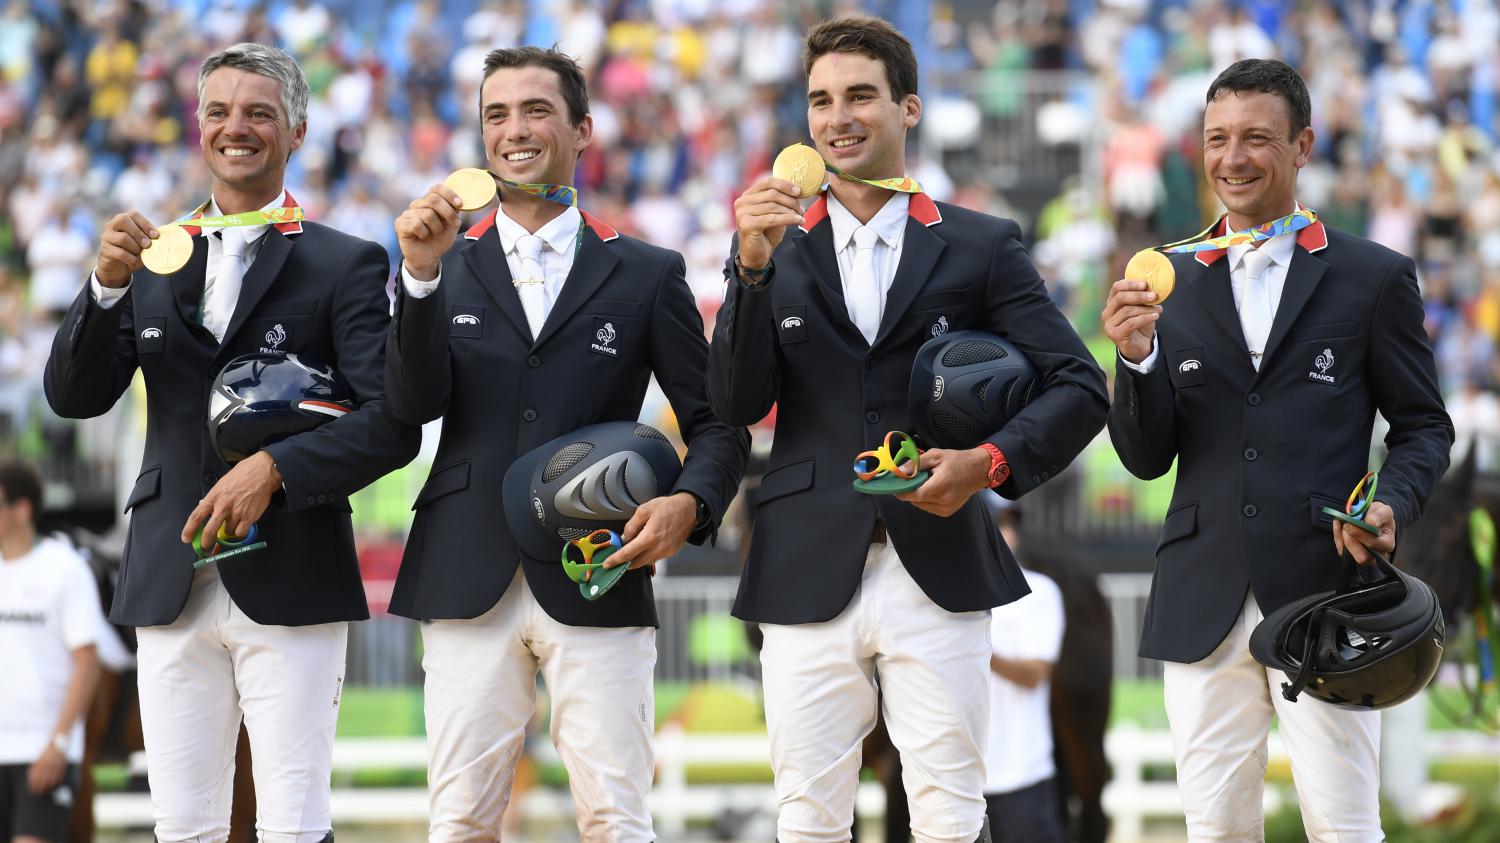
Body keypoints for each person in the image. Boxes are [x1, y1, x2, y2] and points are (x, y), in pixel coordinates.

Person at [708, 16, 1108, 842]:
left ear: (909, 109)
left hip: (941, 561)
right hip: (803, 566)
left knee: (952, 816)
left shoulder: (980, 244)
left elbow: (1081, 385)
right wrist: (747, 269)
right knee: (808, 821)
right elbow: (737, 402)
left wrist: (988, 462)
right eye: (820, 100)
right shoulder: (770, 247)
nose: (838, 116)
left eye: (860, 95)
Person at [44, 43, 419, 843]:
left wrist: (276, 466)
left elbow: (390, 422)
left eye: (258, 113)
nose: (235, 128)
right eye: (218, 111)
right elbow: (73, 397)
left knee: (291, 822)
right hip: (168, 574)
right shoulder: (148, 259)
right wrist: (104, 288)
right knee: (181, 825)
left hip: (293, 567)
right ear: (197, 126)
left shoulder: (343, 262)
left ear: (298, 132)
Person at [385, 46, 748, 842]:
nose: (515, 130)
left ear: (583, 129)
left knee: (617, 819)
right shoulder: (438, 264)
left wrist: (691, 501)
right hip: (464, 568)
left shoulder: (649, 273)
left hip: (600, 566)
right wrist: (415, 280)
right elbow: (410, 406)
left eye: (536, 110)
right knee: (459, 823)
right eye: (496, 114)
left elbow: (717, 421)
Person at [1102, 58, 1454, 841]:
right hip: (1202, 597)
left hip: (1330, 592)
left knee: (1345, 826)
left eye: (1257, 138)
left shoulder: (1373, 276)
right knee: (1216, 829)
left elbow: (1425, 426)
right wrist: (1133, 362)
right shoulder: (1167, 279)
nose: (1233, 157)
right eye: (1217, 138)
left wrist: (1390, 502)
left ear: (1302, 147)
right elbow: (1145, 456)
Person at [0, 463, 101, 843]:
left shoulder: (65, 569)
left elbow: (87, 663)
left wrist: (59, 743)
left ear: (23, 509)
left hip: (42, 754)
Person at [981, 501, 1066, 843]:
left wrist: (974, 649)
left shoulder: (1039, 591)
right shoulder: (939, 596)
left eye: (1007, 523)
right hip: (958, 780)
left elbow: (1035, 673)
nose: (1006, 532)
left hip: (1021, 776)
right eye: (994, 522)